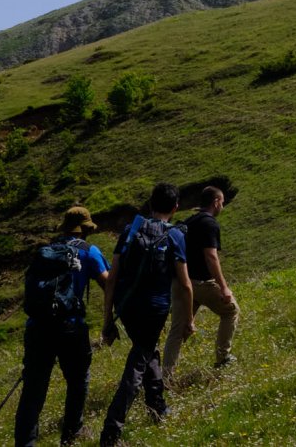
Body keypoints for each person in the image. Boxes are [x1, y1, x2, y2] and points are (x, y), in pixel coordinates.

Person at [99, 183, 193, 447]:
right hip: (155, 308)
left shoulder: (131, 230)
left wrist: (108, 320)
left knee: (146, 349)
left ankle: (157, 407)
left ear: (150, 204)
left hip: (127, 306)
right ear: (175, 208)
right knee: (138, 362)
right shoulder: (175, 236)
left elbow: (113, 277)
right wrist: (189, 319)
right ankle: (111, 431)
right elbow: (185, 284)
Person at [14, 206, 110, 447]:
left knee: (34, 389)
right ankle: (71, 433)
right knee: (78, 380)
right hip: (70, 326)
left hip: (37, 327)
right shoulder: (89, 251)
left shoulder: (45, 251)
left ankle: (25, 444)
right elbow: (108, 284)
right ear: (86, 230)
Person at [162, 186, 238, 377]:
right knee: (231, 311)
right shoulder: (209, 224)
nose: (222, 206)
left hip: (180, 282)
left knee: (177, 330)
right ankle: (223, 357)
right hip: (201, 283)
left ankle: (166, 376)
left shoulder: (190, 221)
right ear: (216, 202)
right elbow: (211, 257)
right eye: (222, 202)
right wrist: (224, 287)